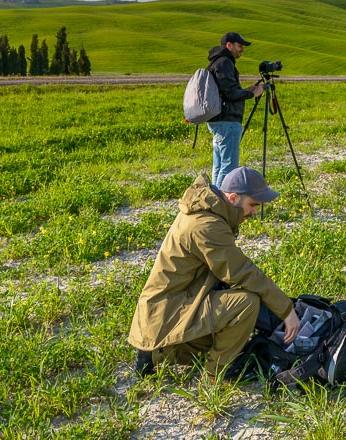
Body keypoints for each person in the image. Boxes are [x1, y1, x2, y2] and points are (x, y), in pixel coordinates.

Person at [128, 167, 301, 379]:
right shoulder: (206, 225)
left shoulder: (209, 212)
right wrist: (286, 310)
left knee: (234, 322)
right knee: (246, 304)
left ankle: (161, 352)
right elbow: (242, 272)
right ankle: (213, 371)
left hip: (175, 304)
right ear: (233, 197)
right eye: (253, 205)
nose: (255, 211)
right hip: (166, 314)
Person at [206, 32, 266, 187]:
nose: (242, 50)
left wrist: (247, 90)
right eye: (240, 46)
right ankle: (222, 204)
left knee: (219, 165)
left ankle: (216, 201)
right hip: (227, 121)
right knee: (228, 167)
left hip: (218, 119)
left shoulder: (217, 62)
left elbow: (225, 91)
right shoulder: (225, 62)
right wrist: (252, 94)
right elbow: (230, 93)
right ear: (229, 45)